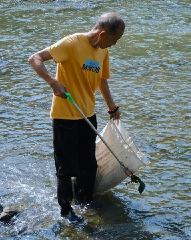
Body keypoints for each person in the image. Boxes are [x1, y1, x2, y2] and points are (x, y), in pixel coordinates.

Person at [28, 12, 124, 223]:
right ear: (102, 33)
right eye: (114, 39)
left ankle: (85, 203)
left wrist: (111, 107)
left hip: (88, 115)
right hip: (65, 116)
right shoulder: (72, 43)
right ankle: (65, 211)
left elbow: (102, 82)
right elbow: (34, 59)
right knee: (66, 168)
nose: (115, 44)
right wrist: (52, 82)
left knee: (89, 165)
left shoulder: (103, 51)